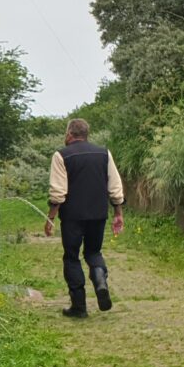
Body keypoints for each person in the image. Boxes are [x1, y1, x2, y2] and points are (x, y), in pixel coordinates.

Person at [44, 118, 125, 318]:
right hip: (98, 214)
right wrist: (118, 212)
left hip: (72, 216)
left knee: (72, 257)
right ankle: (100, 281)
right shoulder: (104, 154)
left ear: (70, 134)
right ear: (86, 134)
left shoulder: (61, 156)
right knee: (93, 252)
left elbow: (58, 192)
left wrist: (51, 218)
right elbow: (115, 187)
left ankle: (79, 307)